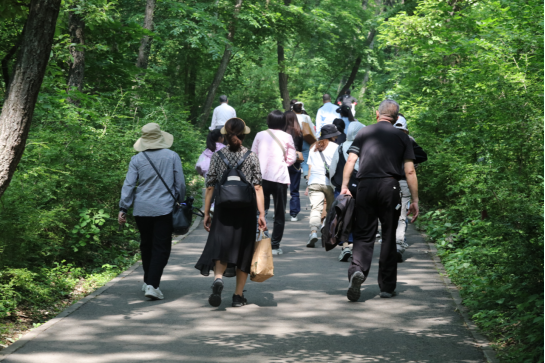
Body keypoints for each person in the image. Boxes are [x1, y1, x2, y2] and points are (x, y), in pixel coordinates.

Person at [341, 100, 419, 302]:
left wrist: (344, 186)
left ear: (377, 114)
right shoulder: (403, 138)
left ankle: (357, 271)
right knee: (388, 236)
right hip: (389, 187)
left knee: (364, 234)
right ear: (397, 117)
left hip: (365, 186)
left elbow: (351, 160)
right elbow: (409, 170)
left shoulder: (364, 132)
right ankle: (386, 286)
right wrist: (415, 199)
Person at [195, 118, 267, 308]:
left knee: (222, 245)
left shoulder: (217, 156)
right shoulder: (251, 156)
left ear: (225, 135)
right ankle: (237, 296)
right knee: (244, 248)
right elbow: (258, 186)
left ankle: (218, 278)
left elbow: (210, 186)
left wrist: (206, 213)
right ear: (243, 134)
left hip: (223, 207)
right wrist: (261, 214)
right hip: (246, 208)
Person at [118, 123, 186, 301]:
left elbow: (129, 185)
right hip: (164, 208)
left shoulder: (137, 160)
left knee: (146, 245)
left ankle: (148, 280)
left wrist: (123, 207)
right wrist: (180, 200)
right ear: (160, 137)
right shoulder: (172, 156)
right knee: (161, 248)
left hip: (141, 209)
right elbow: (180, 184)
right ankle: (153, 285)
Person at [252, 111, 297, 255]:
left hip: (261, 178)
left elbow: (253, 155)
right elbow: (291, 158)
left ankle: (261, 240)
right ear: (283, 122)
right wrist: (283, 163)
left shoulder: (260, 135)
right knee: (279, 213)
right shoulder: (287, 136)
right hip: (279, 178)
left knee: (260, 211)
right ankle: (275, 245)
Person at [329, 121, 366, 262]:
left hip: (343, 188)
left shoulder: (340, 148)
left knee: (344, 217)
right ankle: (358, 247)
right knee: (360, 216)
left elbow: (333, 169)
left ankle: (345, 246)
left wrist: (334, 185)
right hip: (362, 187)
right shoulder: (364, 147)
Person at [393, 115, 428, 262]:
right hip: (402, 182)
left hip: (383, 182)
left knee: (385, 215)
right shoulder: (408, 140)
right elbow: (422, 156)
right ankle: (398, 245)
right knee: (401, 216)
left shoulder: (384, 139)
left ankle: (388, 245)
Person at [306, 124, 340, 248]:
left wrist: (307, 183)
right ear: (332, 136)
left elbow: (310, 167)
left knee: (315, 209)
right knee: (330, 209)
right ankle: (326, 229)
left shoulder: (313, 146)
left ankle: (313, 232)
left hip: (314, 181)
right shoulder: (336, 147)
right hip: (329, 182)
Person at [284, 111, 304, 222]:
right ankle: (294, 214)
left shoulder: (282, 132)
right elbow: (300, 147)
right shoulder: (299, 132)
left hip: (283, 160)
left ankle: (280, 210)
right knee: (294, 190)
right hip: (295, 161)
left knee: (282, 189)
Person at [292, 101, 316, 180]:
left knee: (293, 158)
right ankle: (306, 176)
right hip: (305, 140)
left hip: (293, 140)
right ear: (302, 109)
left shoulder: (291, 116)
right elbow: (311, 130)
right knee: (305, 159)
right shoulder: (306, 117)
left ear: (293, 109)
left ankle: (293, 177)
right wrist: (315, 141)